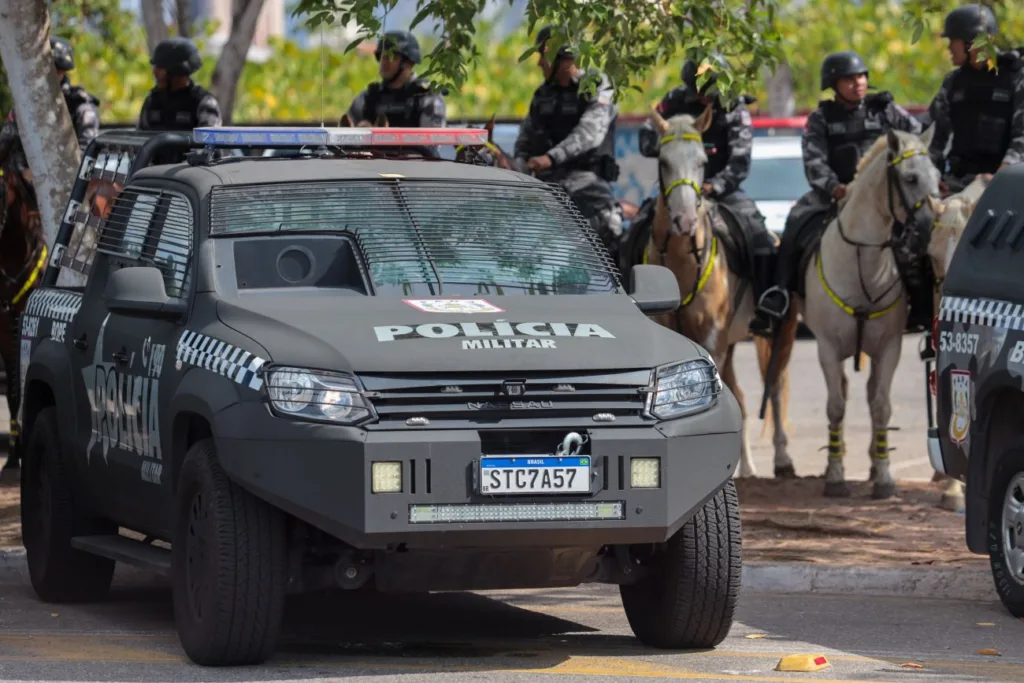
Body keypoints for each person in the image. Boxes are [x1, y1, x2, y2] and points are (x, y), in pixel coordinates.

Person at [756, 50, 923, 323]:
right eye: (849, 79)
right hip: (836, 196)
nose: (858, 83)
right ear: (834, 85)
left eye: (861, 76)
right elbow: (814, 162)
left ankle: (922, 303)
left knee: (922, 229)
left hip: (883, 200)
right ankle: (781, 293)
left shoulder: (886, 109)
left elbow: (918, 140)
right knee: (796, 221)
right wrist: (835, 187)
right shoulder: (821, 118)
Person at [638, 55, 777, 333]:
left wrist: (716, 185)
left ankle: (766, 304)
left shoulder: (735, 106)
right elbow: (646, 137)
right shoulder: (672, 100)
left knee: (759, 235)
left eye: (709, 90)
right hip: (678, 189)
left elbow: (740, 160)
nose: (703, 97)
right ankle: (629, 302)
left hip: (721, 190)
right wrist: (666, 140)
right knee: (636, 229)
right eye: (698, 91)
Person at [512, 25, 624, 257]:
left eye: (543, 56)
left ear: (563, 60)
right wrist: (517, 165)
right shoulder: (542, 94)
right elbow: (525, 138)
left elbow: (589, 134)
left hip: (588, 182)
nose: (539, 63)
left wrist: (551, 158)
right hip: (546, 184)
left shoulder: (598, 86)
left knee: (612, 229)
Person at [927, 3, 1024, 196]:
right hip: (957, 184)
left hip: (1006, 186)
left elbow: (1022, 137)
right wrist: (932, 176)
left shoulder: (1016, 77)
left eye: (953, 40)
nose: (949, 47)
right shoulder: (953, 82)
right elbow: (934, 138)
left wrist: (1000, 176)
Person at [0, 37, 100, 182]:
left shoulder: (81, 107)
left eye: (59, 70)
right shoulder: (24, 107)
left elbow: (89, 153)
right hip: (23, 183)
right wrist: (23, 171)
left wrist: (51, 174)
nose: (55, 74)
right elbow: (5, 145)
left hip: (68, 186)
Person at [344, 30, 447, 157]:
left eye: (391, 57)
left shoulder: (426, 97)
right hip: (371, 170)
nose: (384, 62)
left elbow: (431, 146)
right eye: (382, 56)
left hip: (415, 170)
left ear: (408, 62)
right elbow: (343, 140)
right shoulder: (368, 97)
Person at [138, 37, 222, 132]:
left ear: (178, 71)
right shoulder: (151, 101)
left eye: (160, 68)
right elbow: (139, 138)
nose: (154, 72)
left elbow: (210, 142)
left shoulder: (204, 103)